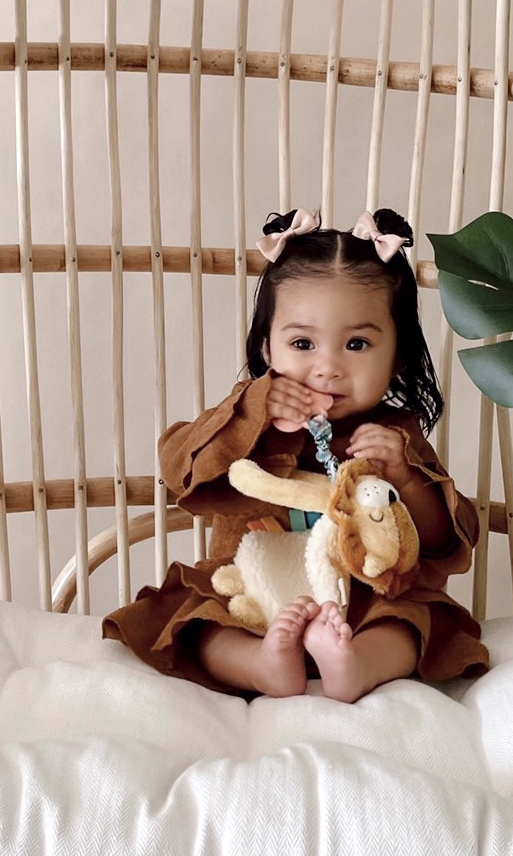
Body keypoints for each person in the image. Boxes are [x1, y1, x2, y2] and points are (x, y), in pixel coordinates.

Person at [102, 207, 489, 701]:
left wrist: (408, 480)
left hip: (358, 606)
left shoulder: (395, 434)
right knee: (199, 620)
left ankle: (355, 664)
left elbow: (442, 543)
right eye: (302, 343)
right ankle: (261, 664)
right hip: (250, 594)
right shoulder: (244, 415)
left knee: (415, 618)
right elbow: (181, 470)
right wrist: (251, 408)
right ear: (267, 348)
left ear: (398, 358)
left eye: (357, 343)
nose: (326, 369)